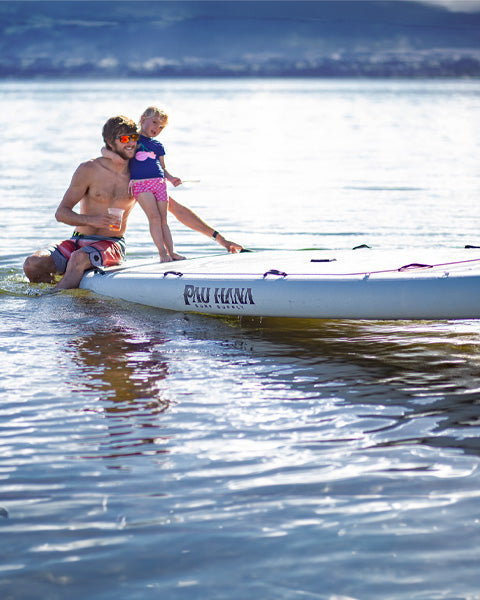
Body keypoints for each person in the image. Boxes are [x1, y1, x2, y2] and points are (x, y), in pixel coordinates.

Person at [23, 116, 243, 290]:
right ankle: (65, 293)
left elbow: (176, 210)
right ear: (110, 143)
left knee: (79, 259)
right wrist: (93, 219)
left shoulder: (139, 175)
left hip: (111, 244)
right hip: (78, 240)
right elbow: (61, 213)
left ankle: (53, 302)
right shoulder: (88, 170)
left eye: (134, 138)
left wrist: (221, 239)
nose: (132, 143)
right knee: (32, 264)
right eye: (125, 139)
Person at [103, 106, 183, 263]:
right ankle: (162, 253)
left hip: (159, 183)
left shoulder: (158, 145)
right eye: (154, 122)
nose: (157, 128)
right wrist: (114, 157)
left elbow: (162, 168)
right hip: (141, 184)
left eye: (161, 127)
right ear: (142, 119)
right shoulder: (132, 139)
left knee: (163, 220)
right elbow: (105, 149)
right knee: (154, 217)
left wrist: (172, 178)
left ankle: (171, 252)